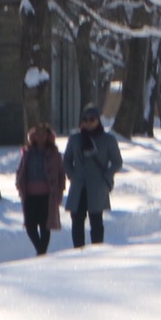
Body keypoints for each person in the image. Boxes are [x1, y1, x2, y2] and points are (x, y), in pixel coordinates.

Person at [63, 104, 123, 250]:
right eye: (85, 120)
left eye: (92, 119)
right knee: (77, 220)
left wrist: (106, 176)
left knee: (96, 220)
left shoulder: (108, 139)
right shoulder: (75, 139)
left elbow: (117, 162)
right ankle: (78, 251)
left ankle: (97, 250)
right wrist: (72, 175)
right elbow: (66, 160)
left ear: (98, 120)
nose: (88, 123)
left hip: (97, 185)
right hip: (79, 185)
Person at [13, 122, 66, 256]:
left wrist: (59, 192)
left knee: (45, 225)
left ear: (49, 136)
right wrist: (19, 184)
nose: (40, 137)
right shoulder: (27, 153)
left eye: (44, 134)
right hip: (30, 195)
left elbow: (61, 175)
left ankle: (41, 252)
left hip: (47, 195)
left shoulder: (55, 154)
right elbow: (20, 170)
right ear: (33, 137)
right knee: (30, 226)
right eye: (37, 134)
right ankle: (41, 250)